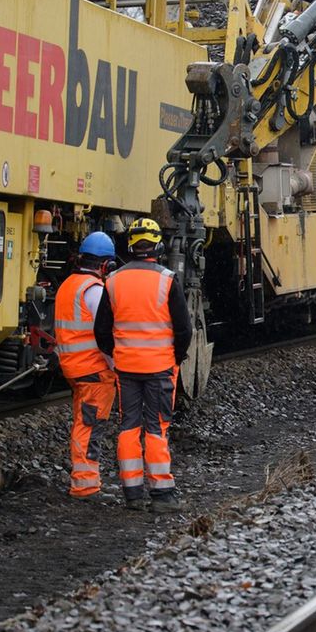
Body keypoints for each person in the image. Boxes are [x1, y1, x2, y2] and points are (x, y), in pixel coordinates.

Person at [99, 218, 191, 513]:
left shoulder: (113, 281)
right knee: (156, 427)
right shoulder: (167, 279)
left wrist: (118, 354)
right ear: (158, 245)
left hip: (126, 368)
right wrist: (175, 356)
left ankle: (133, 494)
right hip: (160, 367)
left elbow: (101, 331)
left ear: (131, 244)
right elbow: (184, 330)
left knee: (128, 426)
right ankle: (162, 495)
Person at [53, 231, 118, 499]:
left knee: (84, 423)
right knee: (90, 428)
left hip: (74, 368)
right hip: (94, 371)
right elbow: (104, 335)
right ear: (106, 265)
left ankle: (88, 481)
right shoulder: (95, 291)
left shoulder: (68, 285)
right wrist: (117, 367)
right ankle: (85, 485)